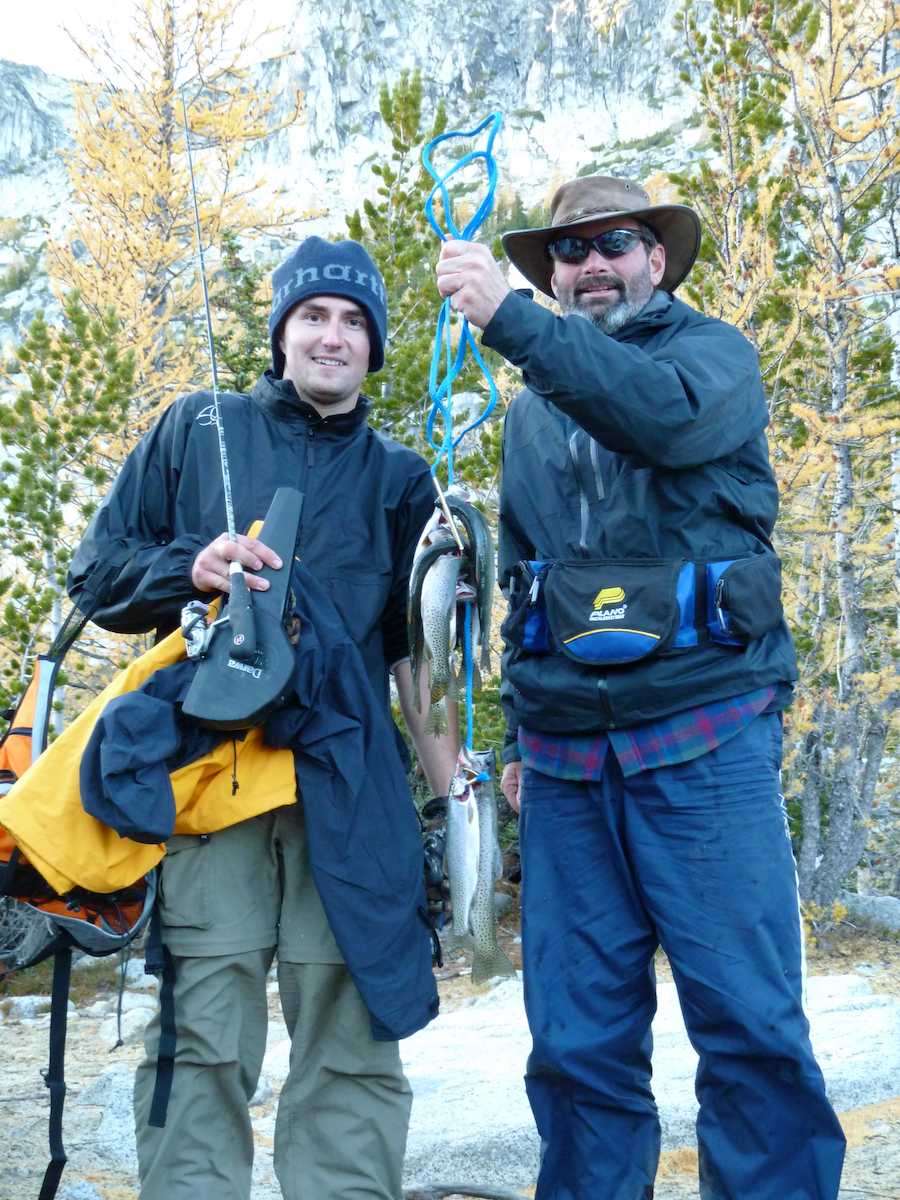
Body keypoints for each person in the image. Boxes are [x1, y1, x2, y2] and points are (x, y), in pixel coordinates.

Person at [436, 176, 846, 1200]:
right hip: (571, 768)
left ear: (656, 260)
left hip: (706, 741)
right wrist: (523, 746)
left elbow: (652, 419)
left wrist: (511, 317)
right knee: (576, 1046)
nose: (590, 267)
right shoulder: (531, 422)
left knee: (750, 1030)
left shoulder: (713, 361)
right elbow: (525, 592)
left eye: (613, 243)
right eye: (567, 254)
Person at [68, 235, 457, 1200]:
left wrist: (457, 795)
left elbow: (423, 660)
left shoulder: (406, 480)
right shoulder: (195, 427)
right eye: (314, 316)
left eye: (355, 322)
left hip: (349, 788)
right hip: (212, 786)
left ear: (375, 348)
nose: (333, 338)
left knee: (353, 1031)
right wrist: (186, 568)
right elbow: (94, 576)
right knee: (201, 1033)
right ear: (281, 332)